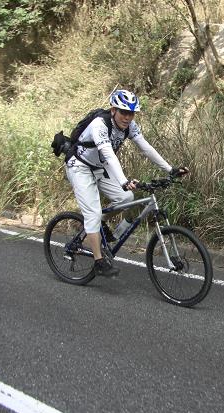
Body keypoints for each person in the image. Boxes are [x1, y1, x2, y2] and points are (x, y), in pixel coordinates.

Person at [65, 89, 188, 277]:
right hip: (80, 166)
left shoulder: (130, 126)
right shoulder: (100, 124)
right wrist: (124, 180)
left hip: (99, 167)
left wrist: (170, 169)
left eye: (131, 113)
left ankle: (100, 225)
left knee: (126, 198)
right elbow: (108, 154)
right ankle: (99, 262)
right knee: (93, 213)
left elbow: (146, 148)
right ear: (113, 110)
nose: (127, 117)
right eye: (123, 112)